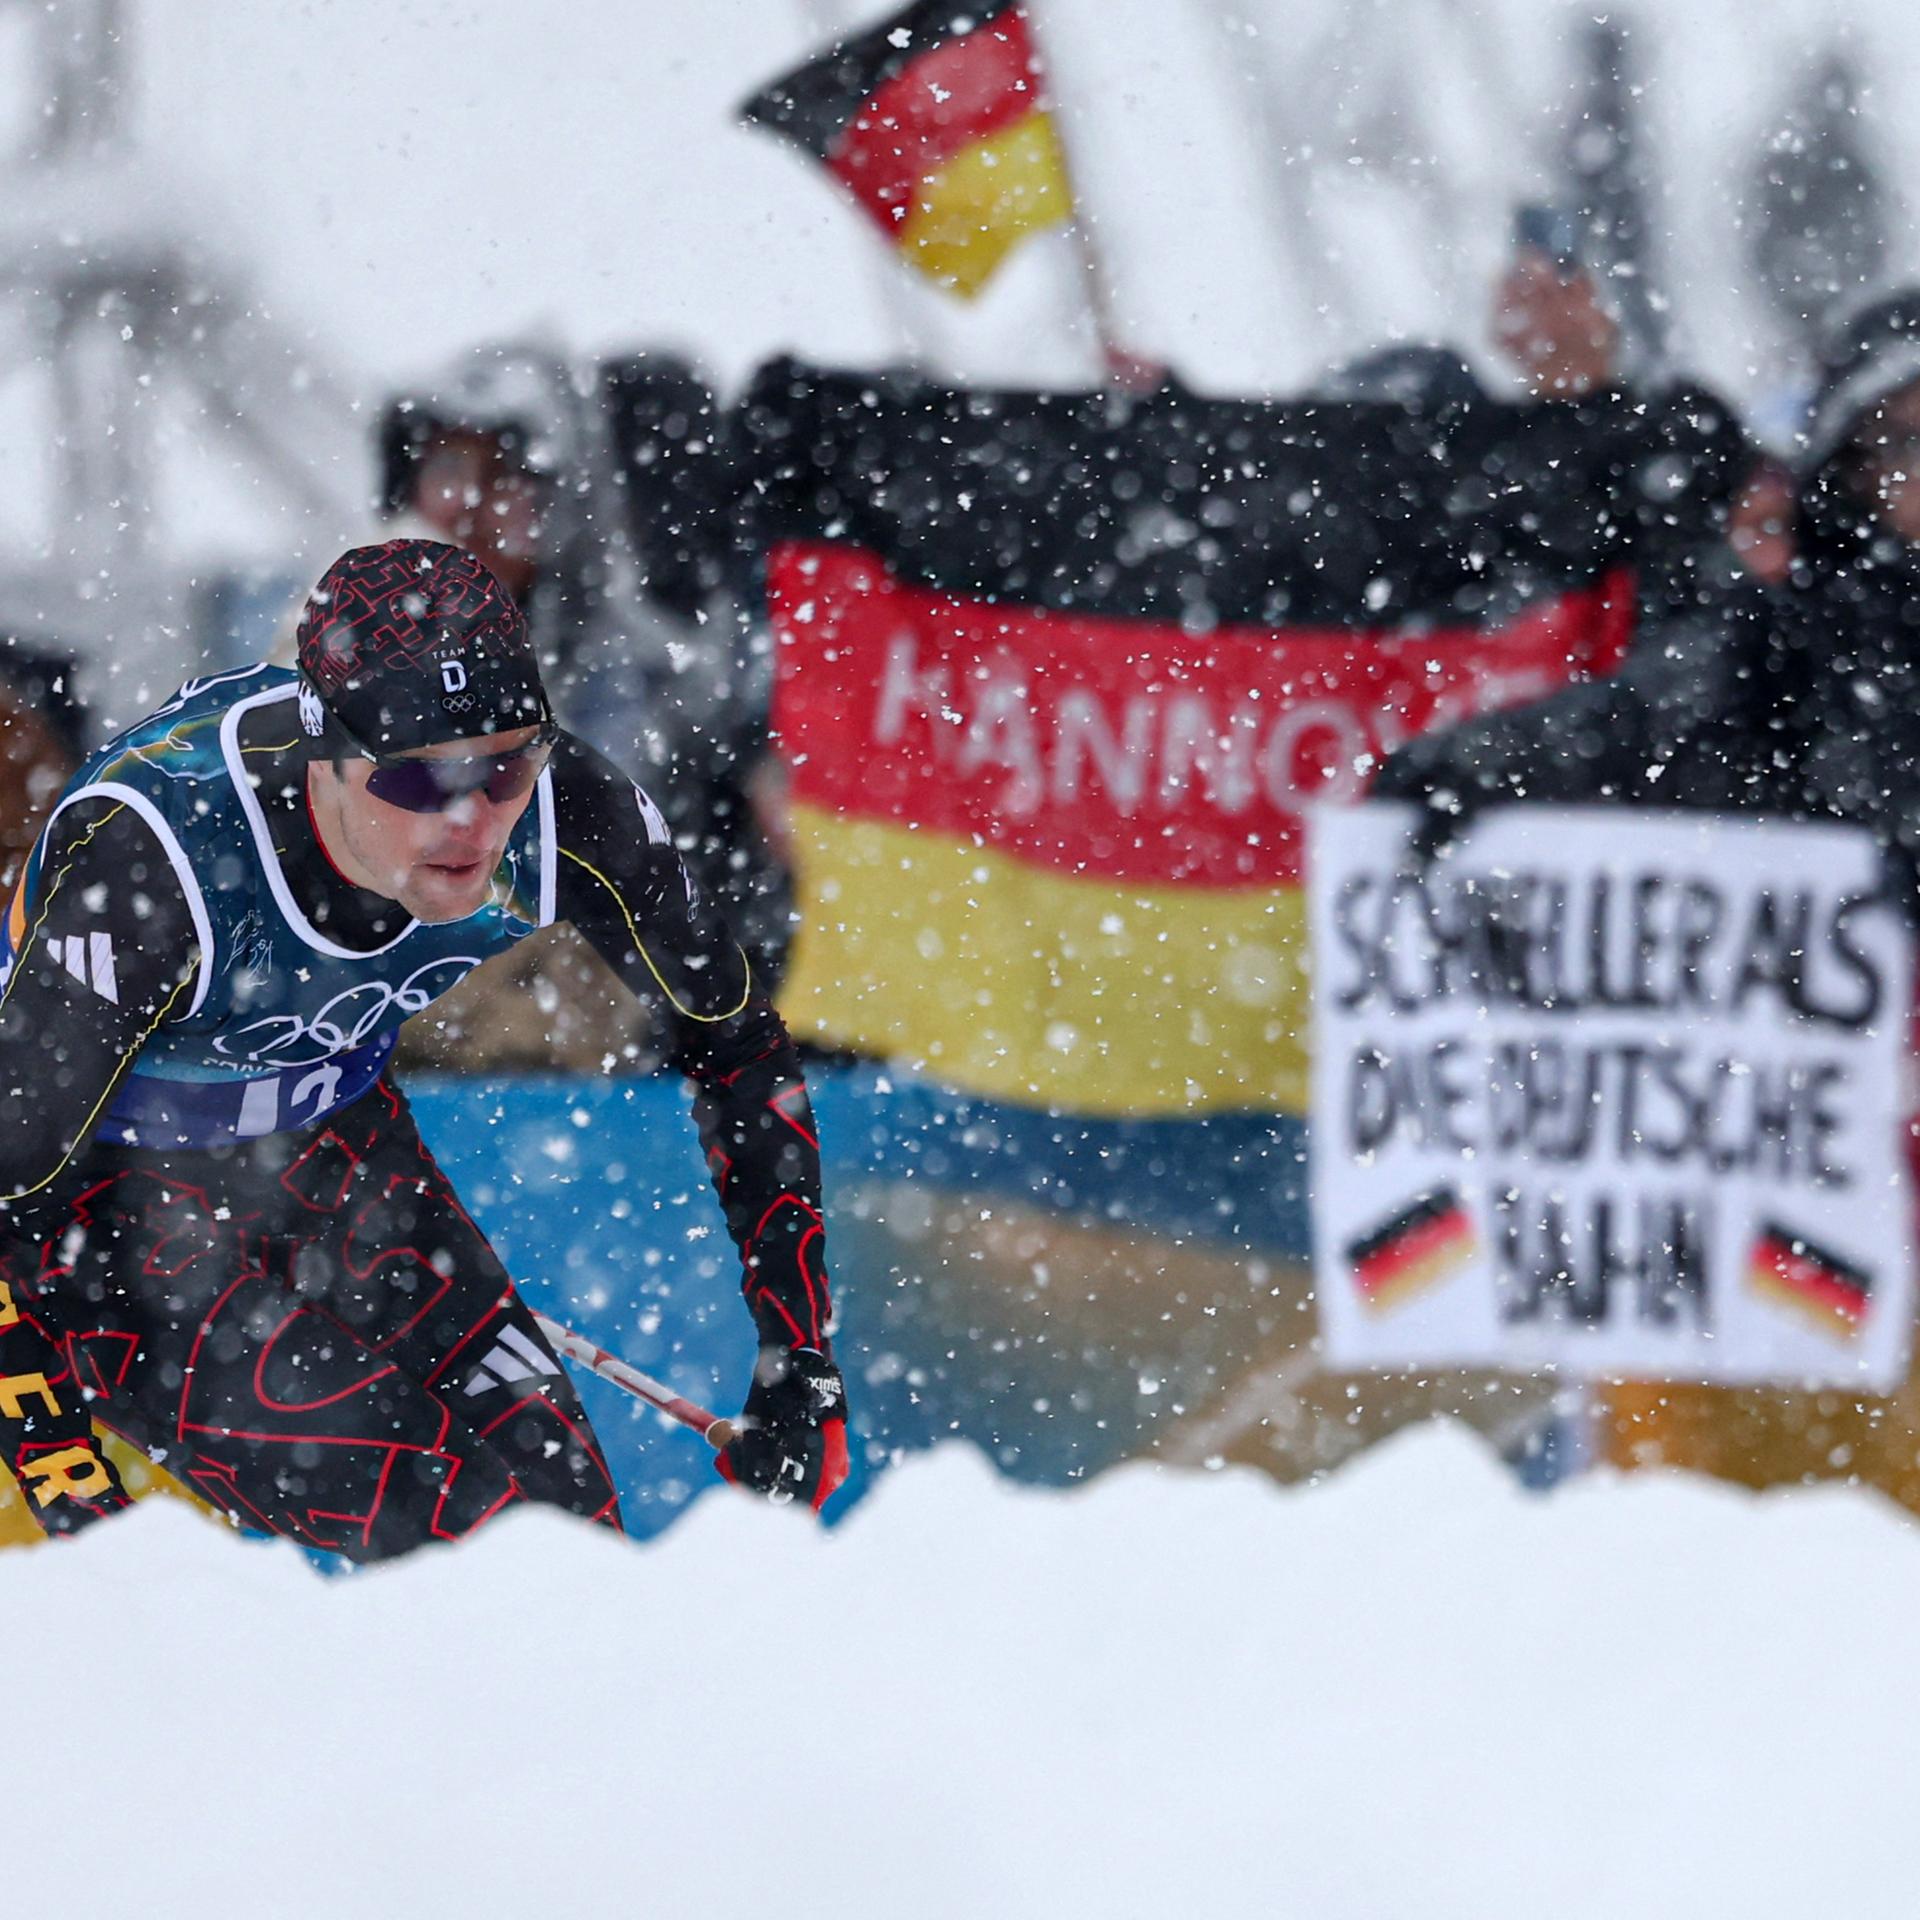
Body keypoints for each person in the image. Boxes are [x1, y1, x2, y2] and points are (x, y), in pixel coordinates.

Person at [0, 538, 848, 1557]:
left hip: (334, 1144)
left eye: (504, 765)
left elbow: (738, 1043)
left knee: (567, 1551)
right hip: (110, 1202)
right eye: (418, 781)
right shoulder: (163, 863)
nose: (470, 820)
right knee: (455, 1537)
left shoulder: (569, 814)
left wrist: (799, 1357)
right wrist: (66, 1482)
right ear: (325, 749)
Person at [1371, 287, 1920, 1506]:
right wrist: (1446, 793)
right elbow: (1604, 737)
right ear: (1849, 469)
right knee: (1712, 1565)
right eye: (1914, 443)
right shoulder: (1775, 658)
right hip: (1772, 1247)